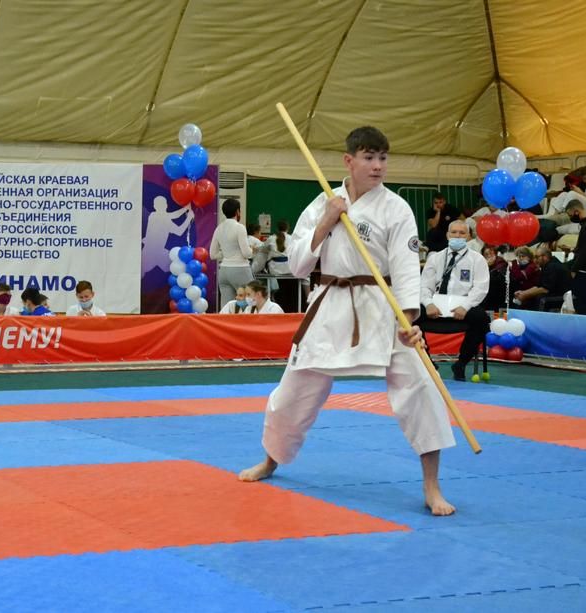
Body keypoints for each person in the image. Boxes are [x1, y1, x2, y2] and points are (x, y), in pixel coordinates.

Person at [238, 126, 457, 516]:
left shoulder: (396, 208)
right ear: (349, 161)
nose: (377, 166)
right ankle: (271, 460)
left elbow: (407, 269)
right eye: (369, 158)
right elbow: (297, 265)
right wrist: (326, 221)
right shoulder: (323, 203)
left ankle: (432, 486)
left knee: (421, 389)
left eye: (383, 158)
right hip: (329, 305)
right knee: (291, 394)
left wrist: (409, 320)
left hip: (382, 306)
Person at [417, 220, 490, 382]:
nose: (457, 236)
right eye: (454, 232)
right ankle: (428, 363)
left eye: (462, 233)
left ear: (468, 236)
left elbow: (480, 288)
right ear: (447, 235)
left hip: (463, 305)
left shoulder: (477, 260)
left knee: (482, 319)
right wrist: (428, 304)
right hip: (436, 305)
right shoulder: (435, 258)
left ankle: (461, 363)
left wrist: (465, 306)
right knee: (411, 315)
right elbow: (424, 286)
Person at [210, 198, 253, 307]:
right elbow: (247, 253)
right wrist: (252, 249)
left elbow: (212, 255)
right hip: (240, 269)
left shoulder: (218, 228)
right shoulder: (240, 227)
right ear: (237, 211)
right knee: (250, 303)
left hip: (224, 271)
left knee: (227, 307)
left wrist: (226, 252)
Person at [514, 246, 571, 310]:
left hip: (563, 296)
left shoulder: (552, 266)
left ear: (545, 257)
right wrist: (523, 292)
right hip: (553, 293)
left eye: (536, 257)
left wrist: (525, 294)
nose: (535, 260)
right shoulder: (546, 266)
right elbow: (539, 286)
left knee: (540, 299)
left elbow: (545, 289)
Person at [480, 245, 508, 311]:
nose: (489, 256)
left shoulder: (501, 263)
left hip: (500, 299)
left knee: (500, 316)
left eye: (491, 253)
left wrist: (487, 266)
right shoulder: (482, 264)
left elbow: (495, 278)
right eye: (486, 254)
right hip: (487, 300)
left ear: (495, 254)